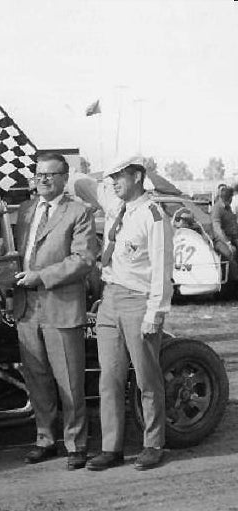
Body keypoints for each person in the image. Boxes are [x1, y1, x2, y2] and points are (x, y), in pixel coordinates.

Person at [87, 156, 173, 471]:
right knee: (109, 378)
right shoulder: (116, 207)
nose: (114, 183)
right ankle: (111, 448)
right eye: (111, 178)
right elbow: (82, 182)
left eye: (120, 177)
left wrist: (156, 313)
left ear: (137, 176)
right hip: (109, 299)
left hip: (139, 301)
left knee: (146, 379)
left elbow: (163, 270)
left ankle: (153, 444)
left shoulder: (154, 216)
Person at [13, 153, 97, 470]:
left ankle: (76, 444)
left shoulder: (79, 212)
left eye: (50, 174)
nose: (43, 180)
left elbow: (83, 259)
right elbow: (19, 254)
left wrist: (42, 276)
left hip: (60, 304)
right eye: (39, 175)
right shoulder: (25, 210)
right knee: (37, 378)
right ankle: (45, 439)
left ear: (64, 177)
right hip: (26, 306)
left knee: (69, 379)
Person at [210, 184, 238, 281]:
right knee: (229, 253)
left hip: (232, 238)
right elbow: (217, 229)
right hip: (220, 241)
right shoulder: (217, 209)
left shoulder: (228, 208)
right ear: (229, 198)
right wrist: (228, 243)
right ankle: (232, 281)